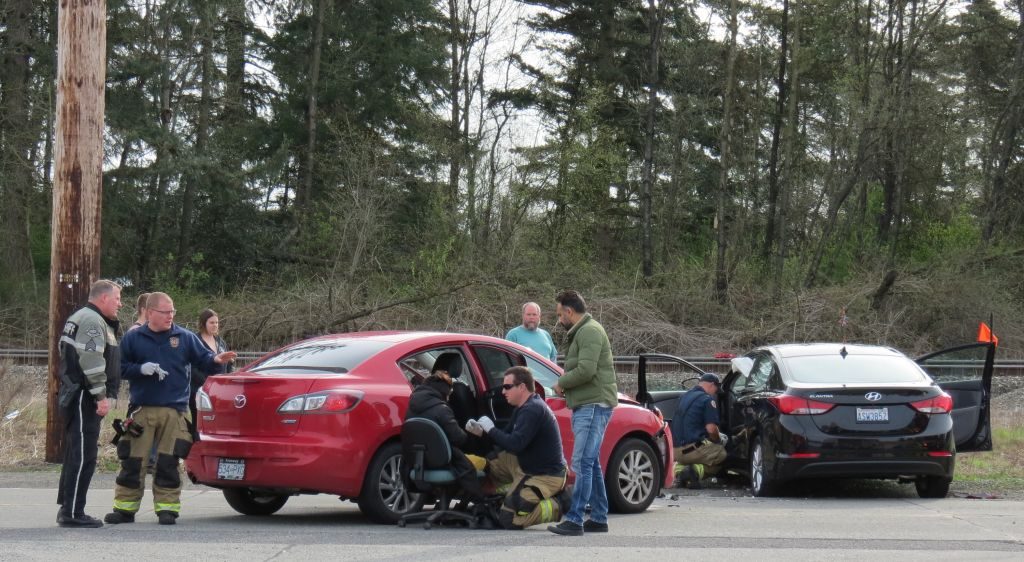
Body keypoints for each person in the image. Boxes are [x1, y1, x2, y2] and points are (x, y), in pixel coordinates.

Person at [105, 292, 236, 526]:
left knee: (168, 462)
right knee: (133, 461)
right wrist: (140, 369)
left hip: (175, 411)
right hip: (142, 410)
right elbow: (118, 368)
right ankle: (124, 508)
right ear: (150, 312)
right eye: (166, 312)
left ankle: (167, 509)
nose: (170, 316)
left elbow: (204, 360)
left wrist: (217, 361)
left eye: (173, 311)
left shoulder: (184, 337)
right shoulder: (133, 339)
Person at [466, 366, 570, 530]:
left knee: (509, 519)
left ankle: (560, 503)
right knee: (490, 461)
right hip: (525, 464)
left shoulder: (533, 409)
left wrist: (491, 429)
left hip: (545, 474)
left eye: (507, 387)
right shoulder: (523, 408)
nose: (503, 392)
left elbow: (515, 444)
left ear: (522, 387)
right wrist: (482, 432)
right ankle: (498, 494)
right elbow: (504, 440)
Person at [55, 280, 123, 528]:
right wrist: (101, 395)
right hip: (85, 395)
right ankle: (72, 512)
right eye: (117, 298)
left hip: (78, 393)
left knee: (77, 452)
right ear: (104, 298)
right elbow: (92, 360)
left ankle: (69, 507)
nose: (120, 303)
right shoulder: (93, 322)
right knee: (84, 455)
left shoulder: (81, 317)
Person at [549, 289, 617, 536]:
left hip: (593, 405)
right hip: (591, 402)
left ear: (569, 311)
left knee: (582, 463)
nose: (559, 320)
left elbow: (587, 370)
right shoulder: (586, 330)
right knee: (592, 463)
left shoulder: (588, 331)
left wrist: (562, 383)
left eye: (559, 314)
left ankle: (575, 519)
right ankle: (598, 517)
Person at [404, 353, 485, 504]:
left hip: (417, 461)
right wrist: (472, 433)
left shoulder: (412, 406)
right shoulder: (442, 409)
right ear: (445, 391)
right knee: (482, 463)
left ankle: (444, 505)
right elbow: (458, 438)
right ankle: (478, 503)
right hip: (442, 461)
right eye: (450, 393)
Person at [669, 373, 728, 489]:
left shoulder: (683, 397)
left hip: (675, 452)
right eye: (716, 390)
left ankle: (678, 472)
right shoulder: (707, 400)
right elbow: (711, 429)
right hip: (693, 451)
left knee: (688, 456)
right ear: (712, 385)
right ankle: (695, 471)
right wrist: (718, 440)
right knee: (722, 454)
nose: (715, 393)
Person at [189, 308, 232, 441]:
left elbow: (227, 366)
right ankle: (196, 450)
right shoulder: (195, 340)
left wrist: (229, 374)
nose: (215, 325)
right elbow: (191, 368)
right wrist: (207, 383)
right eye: (211, 323)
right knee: (199, 423)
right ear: (203, 323)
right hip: (199, 390)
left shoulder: (220, 341)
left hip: (219, 391)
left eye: (217, 323)